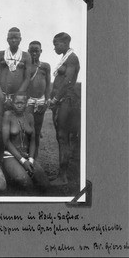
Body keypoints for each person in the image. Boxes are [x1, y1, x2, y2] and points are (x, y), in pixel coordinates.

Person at [2, 91, 50, 193]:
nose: (19, 105)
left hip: (26, 155)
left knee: (45, 184)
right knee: (26, 183)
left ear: (26, 103)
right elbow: (6, 141)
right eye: (16, 103)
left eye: (22, 103)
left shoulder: (29, 117)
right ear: (12, 103)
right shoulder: (8, 115)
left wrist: (31, 160)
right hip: (10, 155)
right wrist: (23, 161)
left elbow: (33, 140)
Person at [49, 32, 80, 186]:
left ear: (65, 43)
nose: (54, 47)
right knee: (61, 138)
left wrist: (55, 99)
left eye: (56, 44)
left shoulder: (72, 58)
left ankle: (63, 177)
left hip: (67, 101)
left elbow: (67, 81)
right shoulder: (65, 57)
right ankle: (62, 175)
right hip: (62, 101)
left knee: (63, 137)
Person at [0, 27, 32, 120]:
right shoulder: (0, 54)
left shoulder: (26, 56)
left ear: (20, 39)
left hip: (18, 97)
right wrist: (3, 98)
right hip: (1, 95)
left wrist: (17, 97)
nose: (14, 40)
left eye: (16, 38)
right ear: (7, 39)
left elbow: (27, 79)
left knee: (16, 123)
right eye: (11, 38)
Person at [26, 41, 51, 159]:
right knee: (28, 130)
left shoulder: (45, 66)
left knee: (37, 130)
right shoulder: (26, 66)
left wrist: (47, 101)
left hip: (41, 101)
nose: (34, 53)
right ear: (28, 51)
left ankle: (34, 158)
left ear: (41, 51)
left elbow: (48, 85)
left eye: (37, 51)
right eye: (32, 51)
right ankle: (26, 155)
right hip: (28, 101)